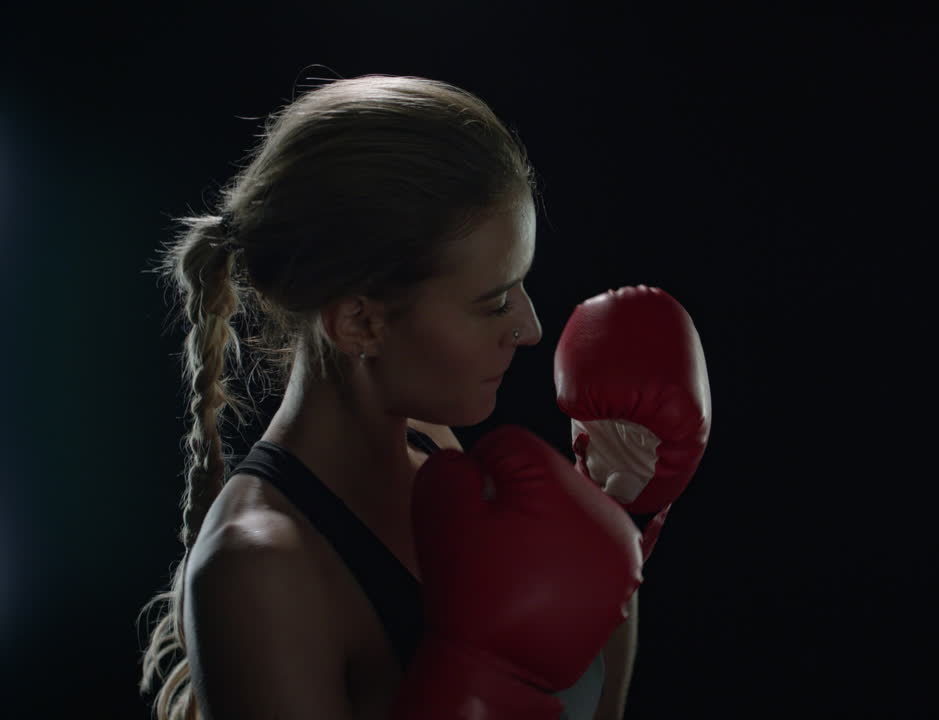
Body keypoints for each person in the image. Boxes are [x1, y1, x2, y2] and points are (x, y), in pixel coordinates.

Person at [136, 73, 646, 720]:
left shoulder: (434, 451)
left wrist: (614, 555)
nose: (530, 328)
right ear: (361, 324)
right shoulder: (259, 570)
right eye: (493, 303)